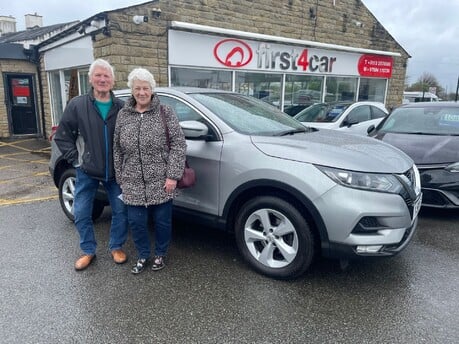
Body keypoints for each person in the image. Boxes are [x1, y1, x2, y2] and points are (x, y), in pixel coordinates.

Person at [54, 58, 128, 271]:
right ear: (91, 79)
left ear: (113, 81)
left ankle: (116, 247)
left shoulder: (121, 107)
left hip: (115, 172)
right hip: (86, 171)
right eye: (98, 75)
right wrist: (77, 160)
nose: (102, 79)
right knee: (81, 211)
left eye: (106, 76)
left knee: (121, 211)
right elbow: (62, 136)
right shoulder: (78, 105)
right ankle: (88, 250)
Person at [113, 67, 186, 274]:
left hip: (161, 180)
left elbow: (179, 145)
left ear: (152, 90)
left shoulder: (166, 112)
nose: (142, 92)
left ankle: (160, 254)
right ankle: (143, 255)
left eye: (145, 88)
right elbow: (117, 149)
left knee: (162, 222)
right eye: (137, 88)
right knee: (136, 222)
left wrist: (172, 176)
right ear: (132, 90)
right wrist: (121, 177)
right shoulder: (123, 114)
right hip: (132, 181)